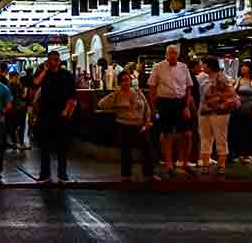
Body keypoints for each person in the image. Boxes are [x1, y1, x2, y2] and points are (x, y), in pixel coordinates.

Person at [147, 44, 194, 176]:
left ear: (178, 55)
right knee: (167, 134)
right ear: (166, 54)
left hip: (180, 102)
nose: (173, 55)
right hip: (164, 102)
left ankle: (184, 162)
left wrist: (186, 105)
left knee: (187, 134)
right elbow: (152, 88)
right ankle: (169, 164)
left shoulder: (183, 67)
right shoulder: (158, 67)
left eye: (175, 53)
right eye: (170, 53)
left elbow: (189, 87)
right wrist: (154, 108)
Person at [98, 70, 153, 181]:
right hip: (124, 125)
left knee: (148, 150)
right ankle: (126, 175)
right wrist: (116, 108)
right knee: (126, 152)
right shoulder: (116, 94)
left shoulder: (137, 92)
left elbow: (147, 107)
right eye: (123, 81)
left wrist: (147, 122)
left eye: (127, 80)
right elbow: (101, 104)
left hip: (139, 125)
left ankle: (149, 174)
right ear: (119, 83)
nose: (125, 83)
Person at [31, 51, 77, 183]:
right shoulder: (43, 74)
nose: (53, 62)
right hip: (45, 114)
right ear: (47, 61)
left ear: (59, 61)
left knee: (61, 147)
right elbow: (35, 83)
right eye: (50, 60)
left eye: (56, 60)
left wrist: (66, 111)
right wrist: (44, 70)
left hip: (61, 115)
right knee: (44, 146)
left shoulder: (67, 75)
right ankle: (44, 174)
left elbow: (72, 96)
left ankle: (62, 174)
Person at [197, 57, 238, 173]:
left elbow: (231, 94)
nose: (202, 67)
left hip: (219, 112)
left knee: (220, 137)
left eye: (204, 65)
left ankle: (221, 165)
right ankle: (205, 164)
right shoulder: (203, 77)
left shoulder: (223, 78)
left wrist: (216, 99)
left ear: (209, 66)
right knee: (205, 138)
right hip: (205, 111)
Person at [231, 61, 252, 163]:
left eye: (245, 67)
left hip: (251, 110)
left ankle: (251, 154)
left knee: (251, 132)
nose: (243, 68)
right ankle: (241, 154)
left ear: (249, 68)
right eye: (242, 67)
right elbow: (233, 92)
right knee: (239, 133)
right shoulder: (238, 79)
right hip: (238, 110)